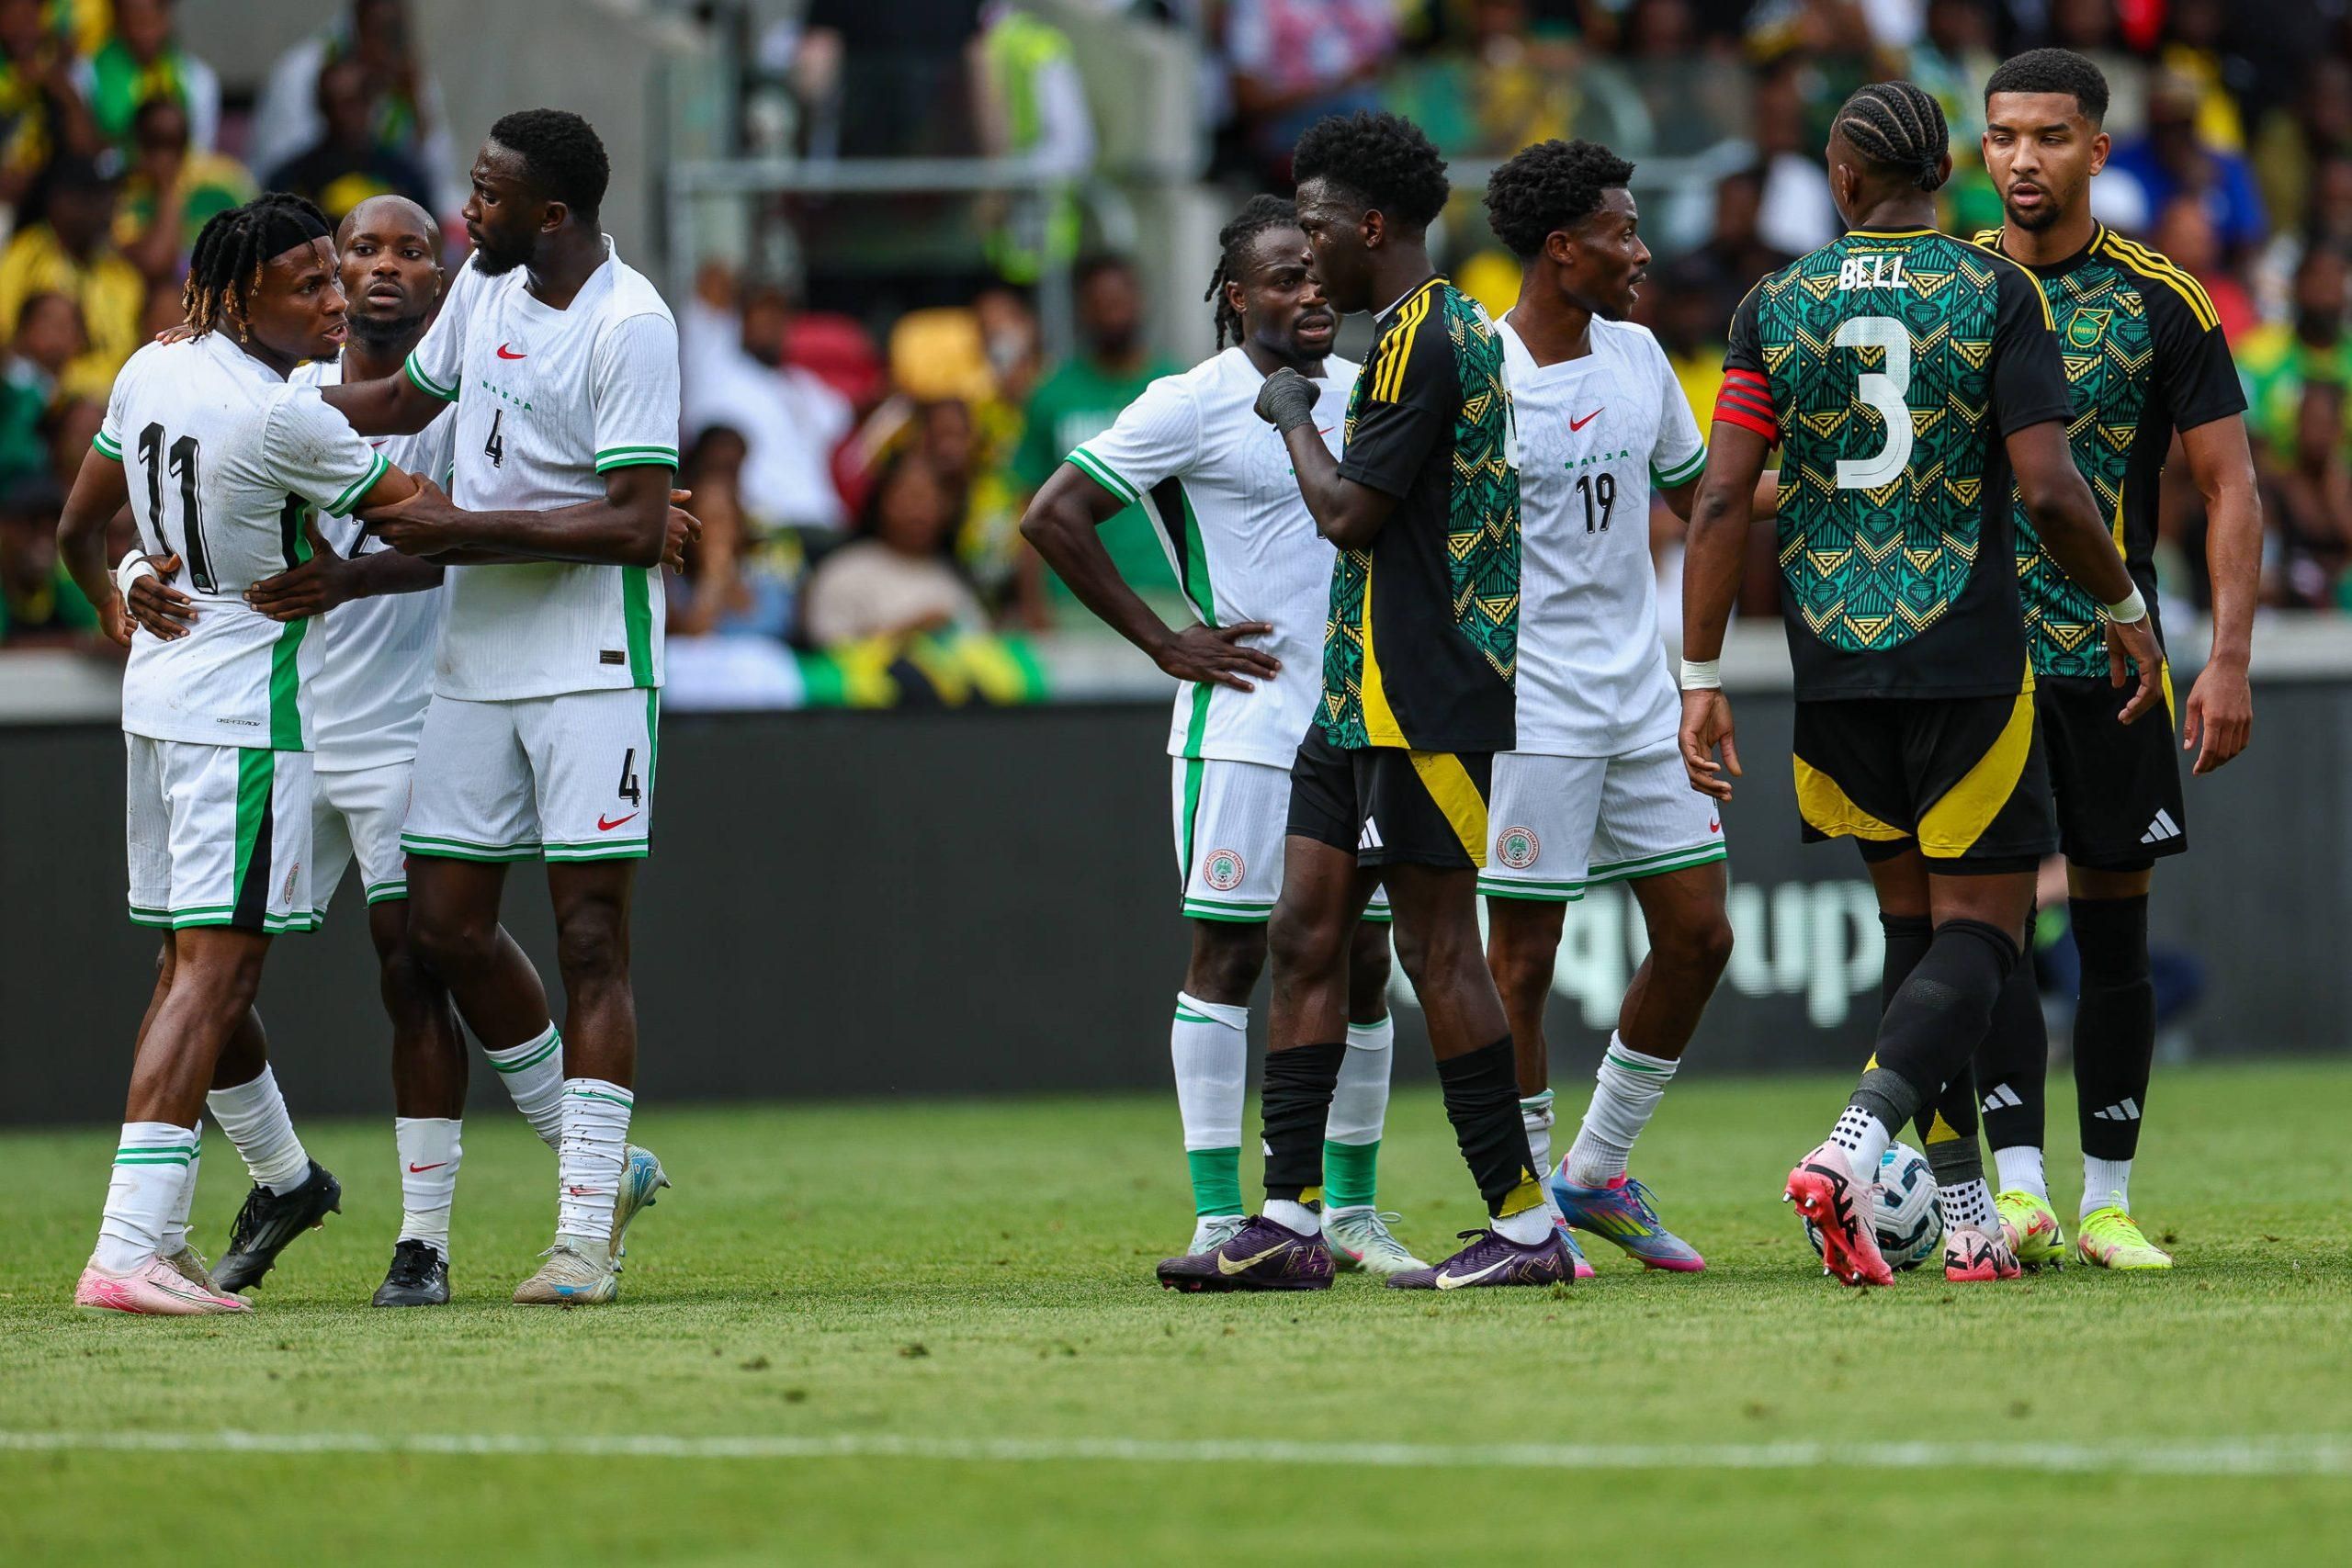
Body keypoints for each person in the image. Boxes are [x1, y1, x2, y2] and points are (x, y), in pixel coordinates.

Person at [1678, 80, 2164, 1289]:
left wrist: (1699, 674)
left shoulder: (1772, 304)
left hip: (1831, 662)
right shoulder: (1994, 291)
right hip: (1964, 655)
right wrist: (2124, 609)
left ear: (1841, 181)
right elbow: (2050, 488)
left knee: (1912, 935)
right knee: (1984, 932)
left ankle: (1964, 1215)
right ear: (1947, 172)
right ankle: (1854, 1144)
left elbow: (1723, 499)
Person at [1160, 110, 1561, 1293]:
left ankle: (1523, 1222)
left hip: (1423, 695)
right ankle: (1286, 1220)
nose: (1309, 246)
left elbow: (1347, 514)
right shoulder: (1409, 338)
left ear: (1371, 227)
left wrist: (1290, 413)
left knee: (1437, 949)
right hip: (1356, 692)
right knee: (1304, 933)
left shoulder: (1424, 342)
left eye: (1319, 224)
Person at [324, 109, 687, 1306]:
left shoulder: (631, 324)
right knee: (441, 930)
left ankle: (583, 1236)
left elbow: (637, 523)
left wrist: (458, 527)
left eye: (487, 195)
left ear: (553, 213)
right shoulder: (483, 290)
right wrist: (259, 399)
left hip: (590, 659)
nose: (464, 212)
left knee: (590, 939)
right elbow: (396, 405)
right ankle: (603, 1163)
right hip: (475, 659)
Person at [51, 195, 437, 1315]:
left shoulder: (151, 366)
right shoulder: (285, 417)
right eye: (308, 284)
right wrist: (592, 528)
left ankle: (179, 1232)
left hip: (158, 696)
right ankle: (125, 1250)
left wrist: (121, 587)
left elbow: (81, 531)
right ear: (236, 293)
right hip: (246, 714)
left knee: (186, 971)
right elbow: (425, 518)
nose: (334, 301)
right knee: (218, 976)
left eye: (333, 278)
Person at [1020, 194, 1416, 1272]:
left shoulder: (1364, 392)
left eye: (1317, 274)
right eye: (1285, 278)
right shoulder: (1189, 402)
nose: (1311, 292)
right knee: (1230, 952)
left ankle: (1350, 1212)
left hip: (1361, 720)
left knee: (1366, 960)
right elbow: (1051, 515)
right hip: (1244, 724)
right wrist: (1165, 640)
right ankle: (1213, 1213)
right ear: (1237, 298)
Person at [1967, 49, 2260, 1272]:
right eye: (2002, 136)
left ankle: (2107, 1203)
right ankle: (2017, 1193)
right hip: (1977, 666)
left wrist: (2228, 658)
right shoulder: (1953, 285)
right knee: (1985, 928)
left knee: (2113, 931)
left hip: (2114, 663)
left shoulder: (2161, 299)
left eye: (2049, 136)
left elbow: (2229, 483)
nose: (2022, 159)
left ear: (2096, 149)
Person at [1476, 139, 1745, 1278]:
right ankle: (1526, 1206)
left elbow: (1705, 500)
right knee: (1521, 965)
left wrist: (1844, 484)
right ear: (1560, 248)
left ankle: (1593, 1171)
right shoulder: (1481, 374)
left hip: (1641, 700)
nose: (1640, 253)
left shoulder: (1637, 357)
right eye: (1621, 233)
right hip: (1529, 708)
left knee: (1700, 936)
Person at [1012, 255, 1182, 608]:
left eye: (1118, 302)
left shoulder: (1178, 388)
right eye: (1099, 304)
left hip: (1167, 591)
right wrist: (1032, 604)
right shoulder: (1051, 395)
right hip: (1074, 596)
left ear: (1139, 302)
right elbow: (1028, 505)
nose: (1111, 315)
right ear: (1081, 311)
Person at [0, 151, 145, 395]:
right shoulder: (26, 256)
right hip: (37, 397)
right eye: (93, 197)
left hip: (110, 400)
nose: (106, 208)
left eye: (110, 196)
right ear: (60, 202)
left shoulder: (122, 275)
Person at [266, 55, 434, 223]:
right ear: (322, 107)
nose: (343, 114)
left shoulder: (403, 176)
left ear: (370, 102)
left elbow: (429, 230)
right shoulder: (291, 180)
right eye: (332, 104)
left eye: (353, 101)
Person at [114, 94, 256, 285]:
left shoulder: (225, 181)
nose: (165, 156)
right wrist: (167, 190)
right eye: (155, 142)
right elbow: (156, 262)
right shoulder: (125, 195)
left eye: (175, 142)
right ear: (137, 144)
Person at [76, 0, 220, 153]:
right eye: (135, 21)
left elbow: (200, 151)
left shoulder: (198, 79)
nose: (144, 33)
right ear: (117, 20)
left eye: (151, 20)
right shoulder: (86, 75)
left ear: (166, 18)